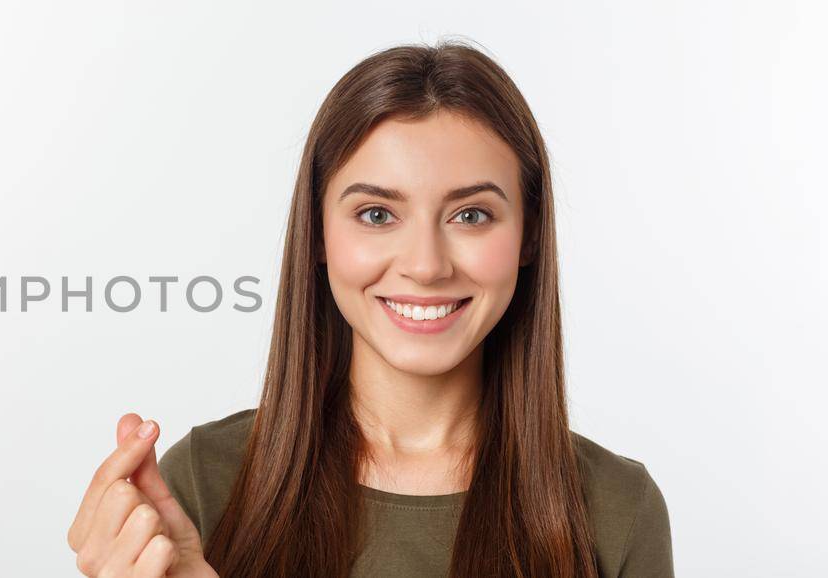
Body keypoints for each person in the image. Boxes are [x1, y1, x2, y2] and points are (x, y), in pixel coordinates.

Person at [65, 39, 674, 577]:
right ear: (319, 234)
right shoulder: (203, 483)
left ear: (530, 236)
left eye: (471, 215)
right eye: (377, 214)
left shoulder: (616, 509)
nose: (427, 265)